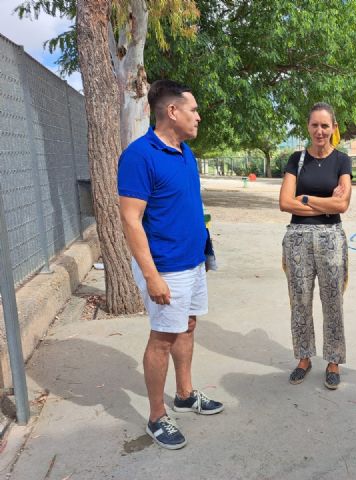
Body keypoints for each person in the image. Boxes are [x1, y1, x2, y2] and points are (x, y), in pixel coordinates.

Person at [118, 80, 224, 450]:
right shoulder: (139, 155)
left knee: (188, 326)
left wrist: (203, 254)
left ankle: (184, 394)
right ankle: (157, 416)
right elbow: (131, 220)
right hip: (165, 268)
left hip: (192, 262)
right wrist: (152, 277)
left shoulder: (185, 151)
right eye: (193, 109)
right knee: (162, 339)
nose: (198, 116)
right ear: (172, 111)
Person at [279, 102, 352, 390]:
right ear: (308, 127)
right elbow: (285, 203)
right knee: (300, 300)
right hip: (297, 238)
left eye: (325, 125)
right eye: (315, 125)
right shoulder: (296, 159)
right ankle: (304, 357)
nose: (320, 131)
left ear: (334, 128)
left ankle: (333, 360)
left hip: (331, 238)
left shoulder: (342, 161)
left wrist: (306, 199)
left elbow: (342, 205)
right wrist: (324, 204)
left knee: (332, 300)